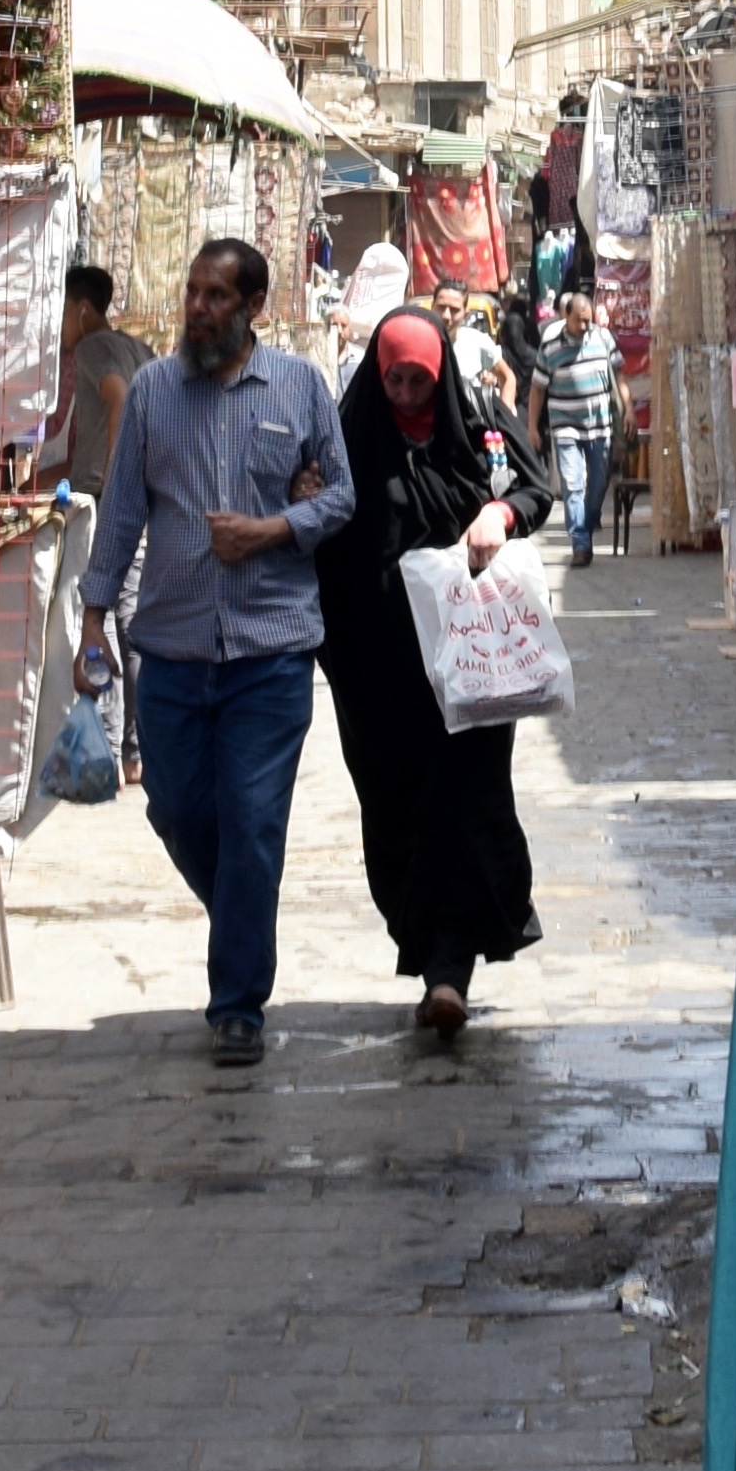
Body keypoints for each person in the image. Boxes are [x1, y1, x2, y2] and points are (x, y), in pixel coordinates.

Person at [76, 238, 352, 1059]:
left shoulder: (301, 387)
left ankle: (238, 1004)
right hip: (172, 650)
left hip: (271, 650)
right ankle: (241, 911)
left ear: (253, 306)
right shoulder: (154, 394)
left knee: (253, 823)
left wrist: (274, 528)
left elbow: (341, 494)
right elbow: (122, 512)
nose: (197, 308)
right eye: (192, 292)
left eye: (216, 296)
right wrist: (92, 619)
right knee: (177, 810)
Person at [318, 307, 550, 1039]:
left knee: (470, 803)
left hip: (471, 668)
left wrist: (498, 516)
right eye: (395, 380)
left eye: (419, 380)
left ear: (440, 373)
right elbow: (321, 533)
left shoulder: (479, 424)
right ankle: (429, 954)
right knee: (397, 810)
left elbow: (535, 489)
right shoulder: (348, 436)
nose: (407, 394)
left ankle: (450, 969)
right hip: (378, 672)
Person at [12, 258, 153, 831]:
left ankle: (111, 752)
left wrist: (115, 485)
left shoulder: (94, 349)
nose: (58, 325)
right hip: (137, 499)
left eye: (61, 311)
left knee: (102, 620)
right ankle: (136, 752)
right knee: (130, 620)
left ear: (83, 309)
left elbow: (118, 402)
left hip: (108, 504)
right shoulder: (138, 348)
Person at [538, 283, 625, 562]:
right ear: (567, 316)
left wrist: (629, 411)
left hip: (600, 425)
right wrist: (532, 427)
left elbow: (619, 376)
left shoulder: (603, 338)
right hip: (565, 425)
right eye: (580, 320)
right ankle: (580, 543)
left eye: (589, 320)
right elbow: (538, 388)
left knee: (598, 483)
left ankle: (588, 520)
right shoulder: (551, 345)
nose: (585, 326)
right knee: (572, 483)